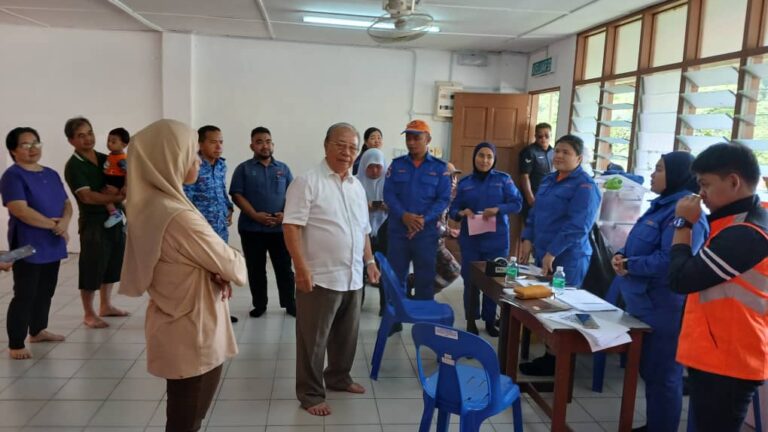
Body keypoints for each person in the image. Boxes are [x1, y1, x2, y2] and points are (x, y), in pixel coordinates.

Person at [119, 119, 246, 432]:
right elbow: (234, 266)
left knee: (182, 410)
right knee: (187, 417)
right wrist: (223, 265)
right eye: (192, 154)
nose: (198, 161)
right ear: (170, 159)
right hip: (194, 326)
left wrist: (212, 265)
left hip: (175, 318)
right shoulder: (178, 216)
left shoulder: (151, 203)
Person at [283, 123, 380, 417]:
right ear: (326, 145)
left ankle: (338, 377)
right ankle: (311, 394)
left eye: (352, 147)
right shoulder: (307, 181)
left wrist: (370, 262)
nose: (347, 152)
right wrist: (300, 269)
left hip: (352, 276)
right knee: (313, 341)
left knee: (346, 337)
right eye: (340, 145)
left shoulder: (356, 186)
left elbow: (363, 230)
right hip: (319, 277)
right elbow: (291, 227)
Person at [669, 143, 767, 432]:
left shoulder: (746, 234)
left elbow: (681, 279)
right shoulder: (732, 223)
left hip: (730, 360)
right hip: (717, 353)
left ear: (734, 182)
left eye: (706, 185)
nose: (701, 194)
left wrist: (682, 225)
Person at [609, 152, 708, 432]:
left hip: (665, 306)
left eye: (659, 169)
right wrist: (620, 255)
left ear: (677, 174)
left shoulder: (687, 213)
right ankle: (656, 425)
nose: (652, 174)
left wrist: (631, 265)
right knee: (649, 371)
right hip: (642, 303)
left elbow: (671, 260)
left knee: (663, 376)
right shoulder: (661, 207)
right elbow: (639, 243)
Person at [518, 134, 602, 375]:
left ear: (579, 158)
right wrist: (527, 238)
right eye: (558, 151)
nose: (559, 156)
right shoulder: (549, 180)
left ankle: (559, 363)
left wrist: (552, 252)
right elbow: (536, 214)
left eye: (566, 152)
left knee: (562, 310)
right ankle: (549, 355)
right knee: (545, 306)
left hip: (568, 258)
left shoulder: (585, 186)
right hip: (544, 255)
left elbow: (579, 226)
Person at [1, 127, 70, 359]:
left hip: (52, 242)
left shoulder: (50, 173)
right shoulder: (13, 176)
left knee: (45, 291)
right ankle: (16, 343)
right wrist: (53, 226)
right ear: (13, 150)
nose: (33, 148)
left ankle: (38, 330)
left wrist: (65, 223)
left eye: (36, 143)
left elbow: (66, 203)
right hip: (27, 244)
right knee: (25, 293)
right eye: (26, 144)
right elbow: (20, 210)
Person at [450, 142, 522, 337]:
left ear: (494, 159)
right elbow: (453, 210)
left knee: (494, 282)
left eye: (489, 156)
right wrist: (462, 212)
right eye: (481, 155)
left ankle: (490, 320)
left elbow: (517, 203)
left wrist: (498, 209)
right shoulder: (465, 184)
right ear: (475, 157)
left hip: (497, 242)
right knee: (470, 283)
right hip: (471, 242)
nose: (485, 160)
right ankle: (471, 321)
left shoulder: (504, 180)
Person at [63, 116, 129, 329]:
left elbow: (125, 176)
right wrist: (118, 198)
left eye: (89, 133)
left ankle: (106, 305)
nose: (87, 139)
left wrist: (127, 189)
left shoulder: (105, 158)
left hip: (116, 219)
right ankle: (89, 313)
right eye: (81, 136)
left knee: (112, 263)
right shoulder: (74, 166)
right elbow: (87, 197)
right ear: (71, 140)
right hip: (93, 223)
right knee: (92, 266)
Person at [230, 126, 296, 318]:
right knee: (256, 269)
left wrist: (285, 214)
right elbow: (237, 195)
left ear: (272, 144)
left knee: (284, 268)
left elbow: (293, 194)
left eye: (267, 141)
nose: (264, 145)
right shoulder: (243, 169)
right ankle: (260, 304)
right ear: (252, 146)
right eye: (259, 142)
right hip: (252, 229)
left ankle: (290, 303)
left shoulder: (283, 169)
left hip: (279, 229)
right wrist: (254, 215)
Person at [383, 120, 451, 300]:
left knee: (425, 280)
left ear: (428, 139)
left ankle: (423, 324)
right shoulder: (396, 165)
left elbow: (443, 199)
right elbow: (388, 195)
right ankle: (394, 320)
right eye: (408, 138)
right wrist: (404, 216)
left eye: (416, 138)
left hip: (426, 234)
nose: (411, 142)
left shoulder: (440, 168)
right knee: (395, 278)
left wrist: (423, 219)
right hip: (399, 232)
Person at [184, 125, 238, 323]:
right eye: (213, 142)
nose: (218, 146)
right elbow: (187, 198)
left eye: (221, 142)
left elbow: (221, 190)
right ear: (200, 143)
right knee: (203, 273)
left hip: (220, 227)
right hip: (202, 229)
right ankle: (201, 313)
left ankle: (220, 310)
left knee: (221, 269)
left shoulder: (222, 165)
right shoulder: (193, 165)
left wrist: (229, 207)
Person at [356, 148, 388, 313]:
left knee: (385, 269)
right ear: (363, 166)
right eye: (370, 166)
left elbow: (400, 207)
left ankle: (385, 306)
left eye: (378, 166)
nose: (375, 170)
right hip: (361, 232)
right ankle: (356, 304)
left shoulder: (391, 185)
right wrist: (364, 207)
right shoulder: (354, 183)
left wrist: (388, 206)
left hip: (385, 231)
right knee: (359, 269)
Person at [519, 122, 554, 221]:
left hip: (548, 197)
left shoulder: (553, 152)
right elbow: (524, 176)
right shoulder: (530, 152)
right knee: (531, 230)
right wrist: (530, 199)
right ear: (535, 136)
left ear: (551, 136)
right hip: (534, 196)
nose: (543, 139)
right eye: (540, 136)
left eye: (547, 136)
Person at [102, 127, 129, 228]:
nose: (109, 143)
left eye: (113, 141)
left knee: (104, 195)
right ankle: (129, 220)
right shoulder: (111, 156)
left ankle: (114, 213)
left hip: (118, 182)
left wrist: (125, 186)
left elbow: (128, 173)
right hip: (111, 180)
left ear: (124, 144)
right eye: (108, 140)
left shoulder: (122, 159)